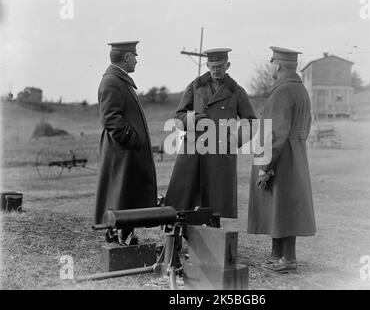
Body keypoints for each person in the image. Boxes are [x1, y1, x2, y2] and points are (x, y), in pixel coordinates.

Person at [164, 48, 257, 219]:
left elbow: (251, 122)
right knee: (185, 203)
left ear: (227, 65)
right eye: (212, 66)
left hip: (221, 154)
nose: (216, 70)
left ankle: (213, 238)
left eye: (220, 66)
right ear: (207, 65)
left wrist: (235, 140)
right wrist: (196, 119)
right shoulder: (195, 86)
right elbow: (178, 117)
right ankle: (181, 236)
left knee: (217, 207)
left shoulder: (236, 91)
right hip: (193, 152)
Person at [247, 46, 316, 273]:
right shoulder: (300, 90)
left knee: (283, 207)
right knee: (281, 207)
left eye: (271, 62)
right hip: (295, 154)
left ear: (278, 64)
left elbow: (274, 133)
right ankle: (276, 255)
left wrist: (264, 166)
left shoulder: (282, 91)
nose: (270, 65)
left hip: (281, 157)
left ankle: (288, 260)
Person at [95, 41, 157, 245]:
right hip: (121, 152)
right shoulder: (112, 81)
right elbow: (110, 119)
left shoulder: (118, 79)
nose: (137, 60)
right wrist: (132, 139)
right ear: (127, 57)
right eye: (135, 56)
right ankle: (117, 235)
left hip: (124, 152)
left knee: (125, 195)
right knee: (119, 195)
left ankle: (123, 235)